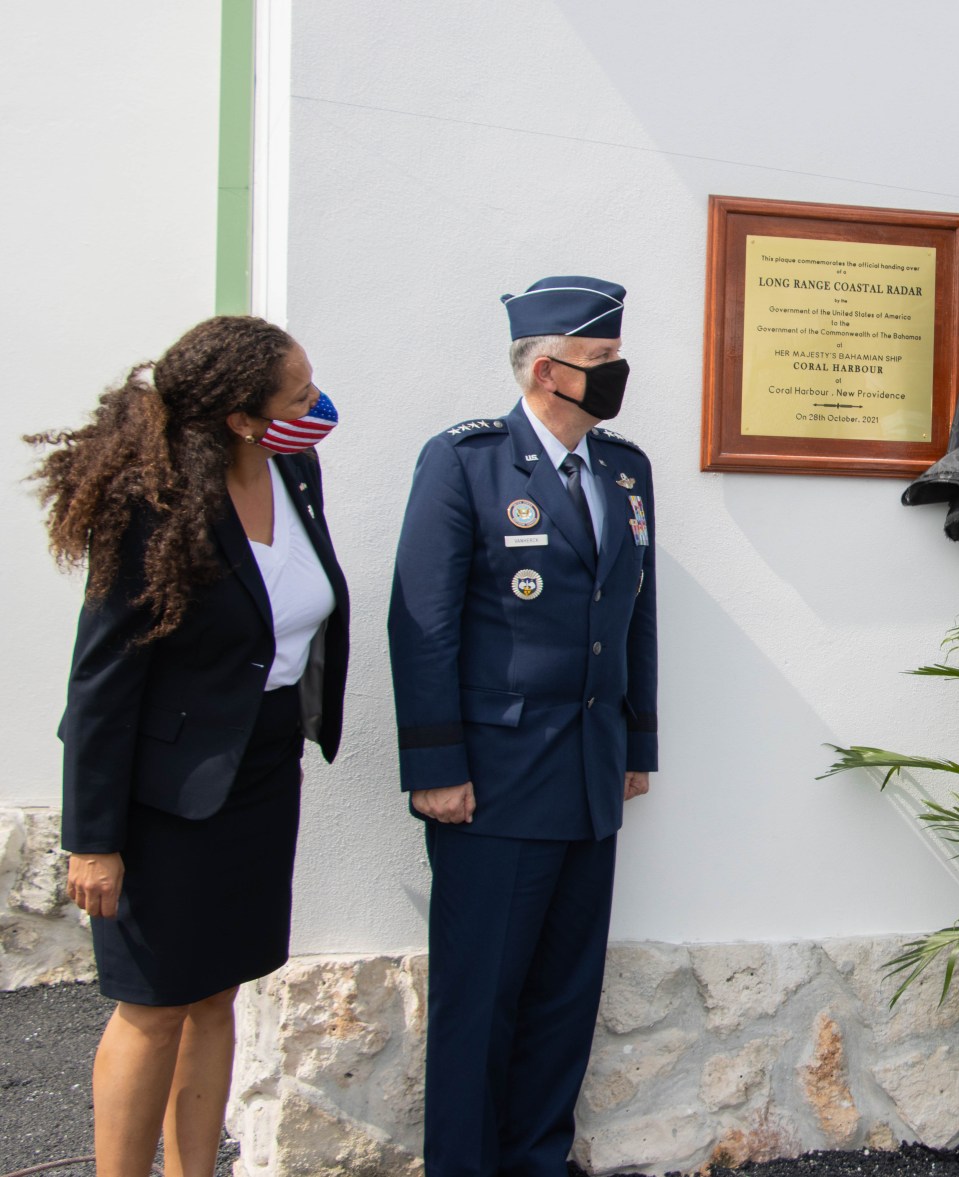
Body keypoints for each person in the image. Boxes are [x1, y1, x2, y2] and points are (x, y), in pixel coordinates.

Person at [31, 316, 349, 1177]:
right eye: (297, 392)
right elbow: (101, 681)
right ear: (244, 416)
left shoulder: (296, 468)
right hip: (161, 791)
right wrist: (92, 838)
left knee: (218, 990)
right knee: (153, 1003)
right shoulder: (154, 500)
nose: (315, 403)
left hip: (258, 771)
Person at [389, 275, 657, 1177]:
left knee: (563, 997)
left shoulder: (626, 469)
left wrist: (638, 743)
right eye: (603, 362)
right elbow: (421, 619)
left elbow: (634, 612)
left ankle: (538, 1160)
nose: (618, 375)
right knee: (482, 999)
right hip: (493, 779)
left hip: (590, 773)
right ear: (547, 369)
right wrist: (435, 762)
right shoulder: (466, 461)